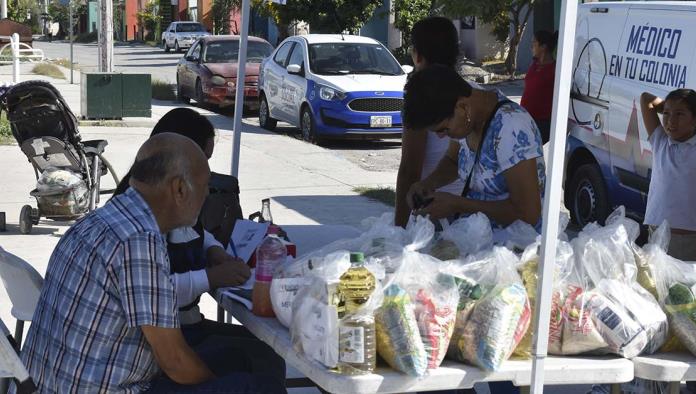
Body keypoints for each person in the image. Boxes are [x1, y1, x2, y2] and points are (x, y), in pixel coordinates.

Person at [17, 133, 285, 393]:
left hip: (52, 382)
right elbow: (175, 363)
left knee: (245, 360)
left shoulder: (100, 220)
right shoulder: (139, 241)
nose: (206, 198)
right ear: (179, 189)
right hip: (102, 386)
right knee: (260, 387)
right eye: (205, 189)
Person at [112, 108, 286, 386]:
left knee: (264, 356)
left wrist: (215, 252)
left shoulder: (133, 209)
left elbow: (197, 233)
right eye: (204, 179)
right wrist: (219, 386)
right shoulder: (139, 239)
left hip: (129, 355)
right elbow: (174, 361)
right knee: (250, 379)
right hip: (127, 372)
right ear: (179, 183)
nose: (208, 191)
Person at [404, 64, 546, 231]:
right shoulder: (467, 116)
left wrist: (458, 204)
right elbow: (454, 161)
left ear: (463, 108)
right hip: (479, 238)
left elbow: (528, 213)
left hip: (514, 247)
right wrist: (428, 184)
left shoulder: (511, 126)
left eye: (443, 129)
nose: (441, 136)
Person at [394, 16, 465, 228]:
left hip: (436, 212)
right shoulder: (470, 91)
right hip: (469, 209)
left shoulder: (424, 97)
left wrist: (399, 229)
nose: (445, 133)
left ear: (418, 56)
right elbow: (455, 161)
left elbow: (410, 169)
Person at [640, 89, 696, 261]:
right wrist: (672, 106)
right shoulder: (661, 142)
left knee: (683, 287)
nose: (671, 121)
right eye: (666, 114)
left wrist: (671, 107)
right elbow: (645, 100)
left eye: (680, 114)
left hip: (689, 240)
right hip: (658, 235)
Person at [520, 30, 558, 145]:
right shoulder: (534, 64)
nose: (531, 46)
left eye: (534, 43)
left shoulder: (555, 69)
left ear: (543, 47)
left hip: (542, 124)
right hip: (526, 119)